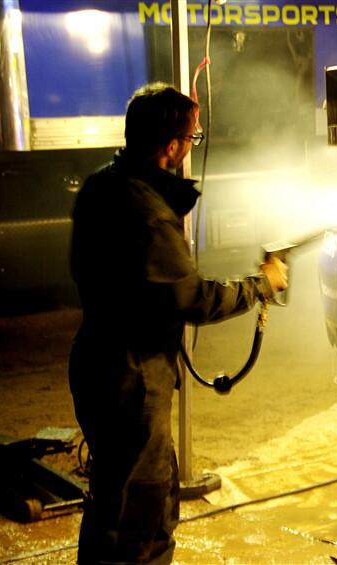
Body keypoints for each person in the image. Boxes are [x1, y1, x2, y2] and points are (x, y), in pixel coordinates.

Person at [68, 82, 287, 564]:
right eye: (194, 138)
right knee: (138, 518)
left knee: (117, 497)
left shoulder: (102, 186)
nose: (193, 147)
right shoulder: (148, 213)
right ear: (172, 146)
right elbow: (191, 298)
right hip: (133, 376)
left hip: (98, 362)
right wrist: (262, 284)